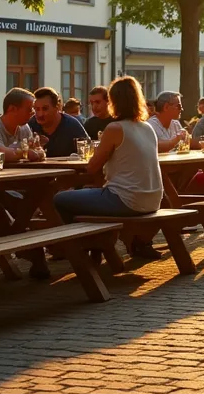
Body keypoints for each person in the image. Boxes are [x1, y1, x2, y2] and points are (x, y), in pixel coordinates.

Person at [54, 77, 164, 259]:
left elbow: (92, 168)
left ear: (114, 102)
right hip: (153, 199)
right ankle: (97, 246)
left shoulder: (114, 128)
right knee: (90, 196)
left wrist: (67, 180)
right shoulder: (147, 127)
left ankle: (83, 248)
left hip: (126, 199)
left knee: (60, 199)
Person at [0, 88, 43, 167]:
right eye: (29, 109)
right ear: (12, 109)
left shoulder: (24, 128)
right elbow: (0, 154)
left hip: (14, 175)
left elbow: (33, 151)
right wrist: (25, 153)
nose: (33, 113)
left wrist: (38, 151)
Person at [27, 87, 90, 158]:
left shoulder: (72, 126)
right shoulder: (30, 125)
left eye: (45, 109)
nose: (40, 114)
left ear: (57, 107)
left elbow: (88, 151)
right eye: (37, 109)